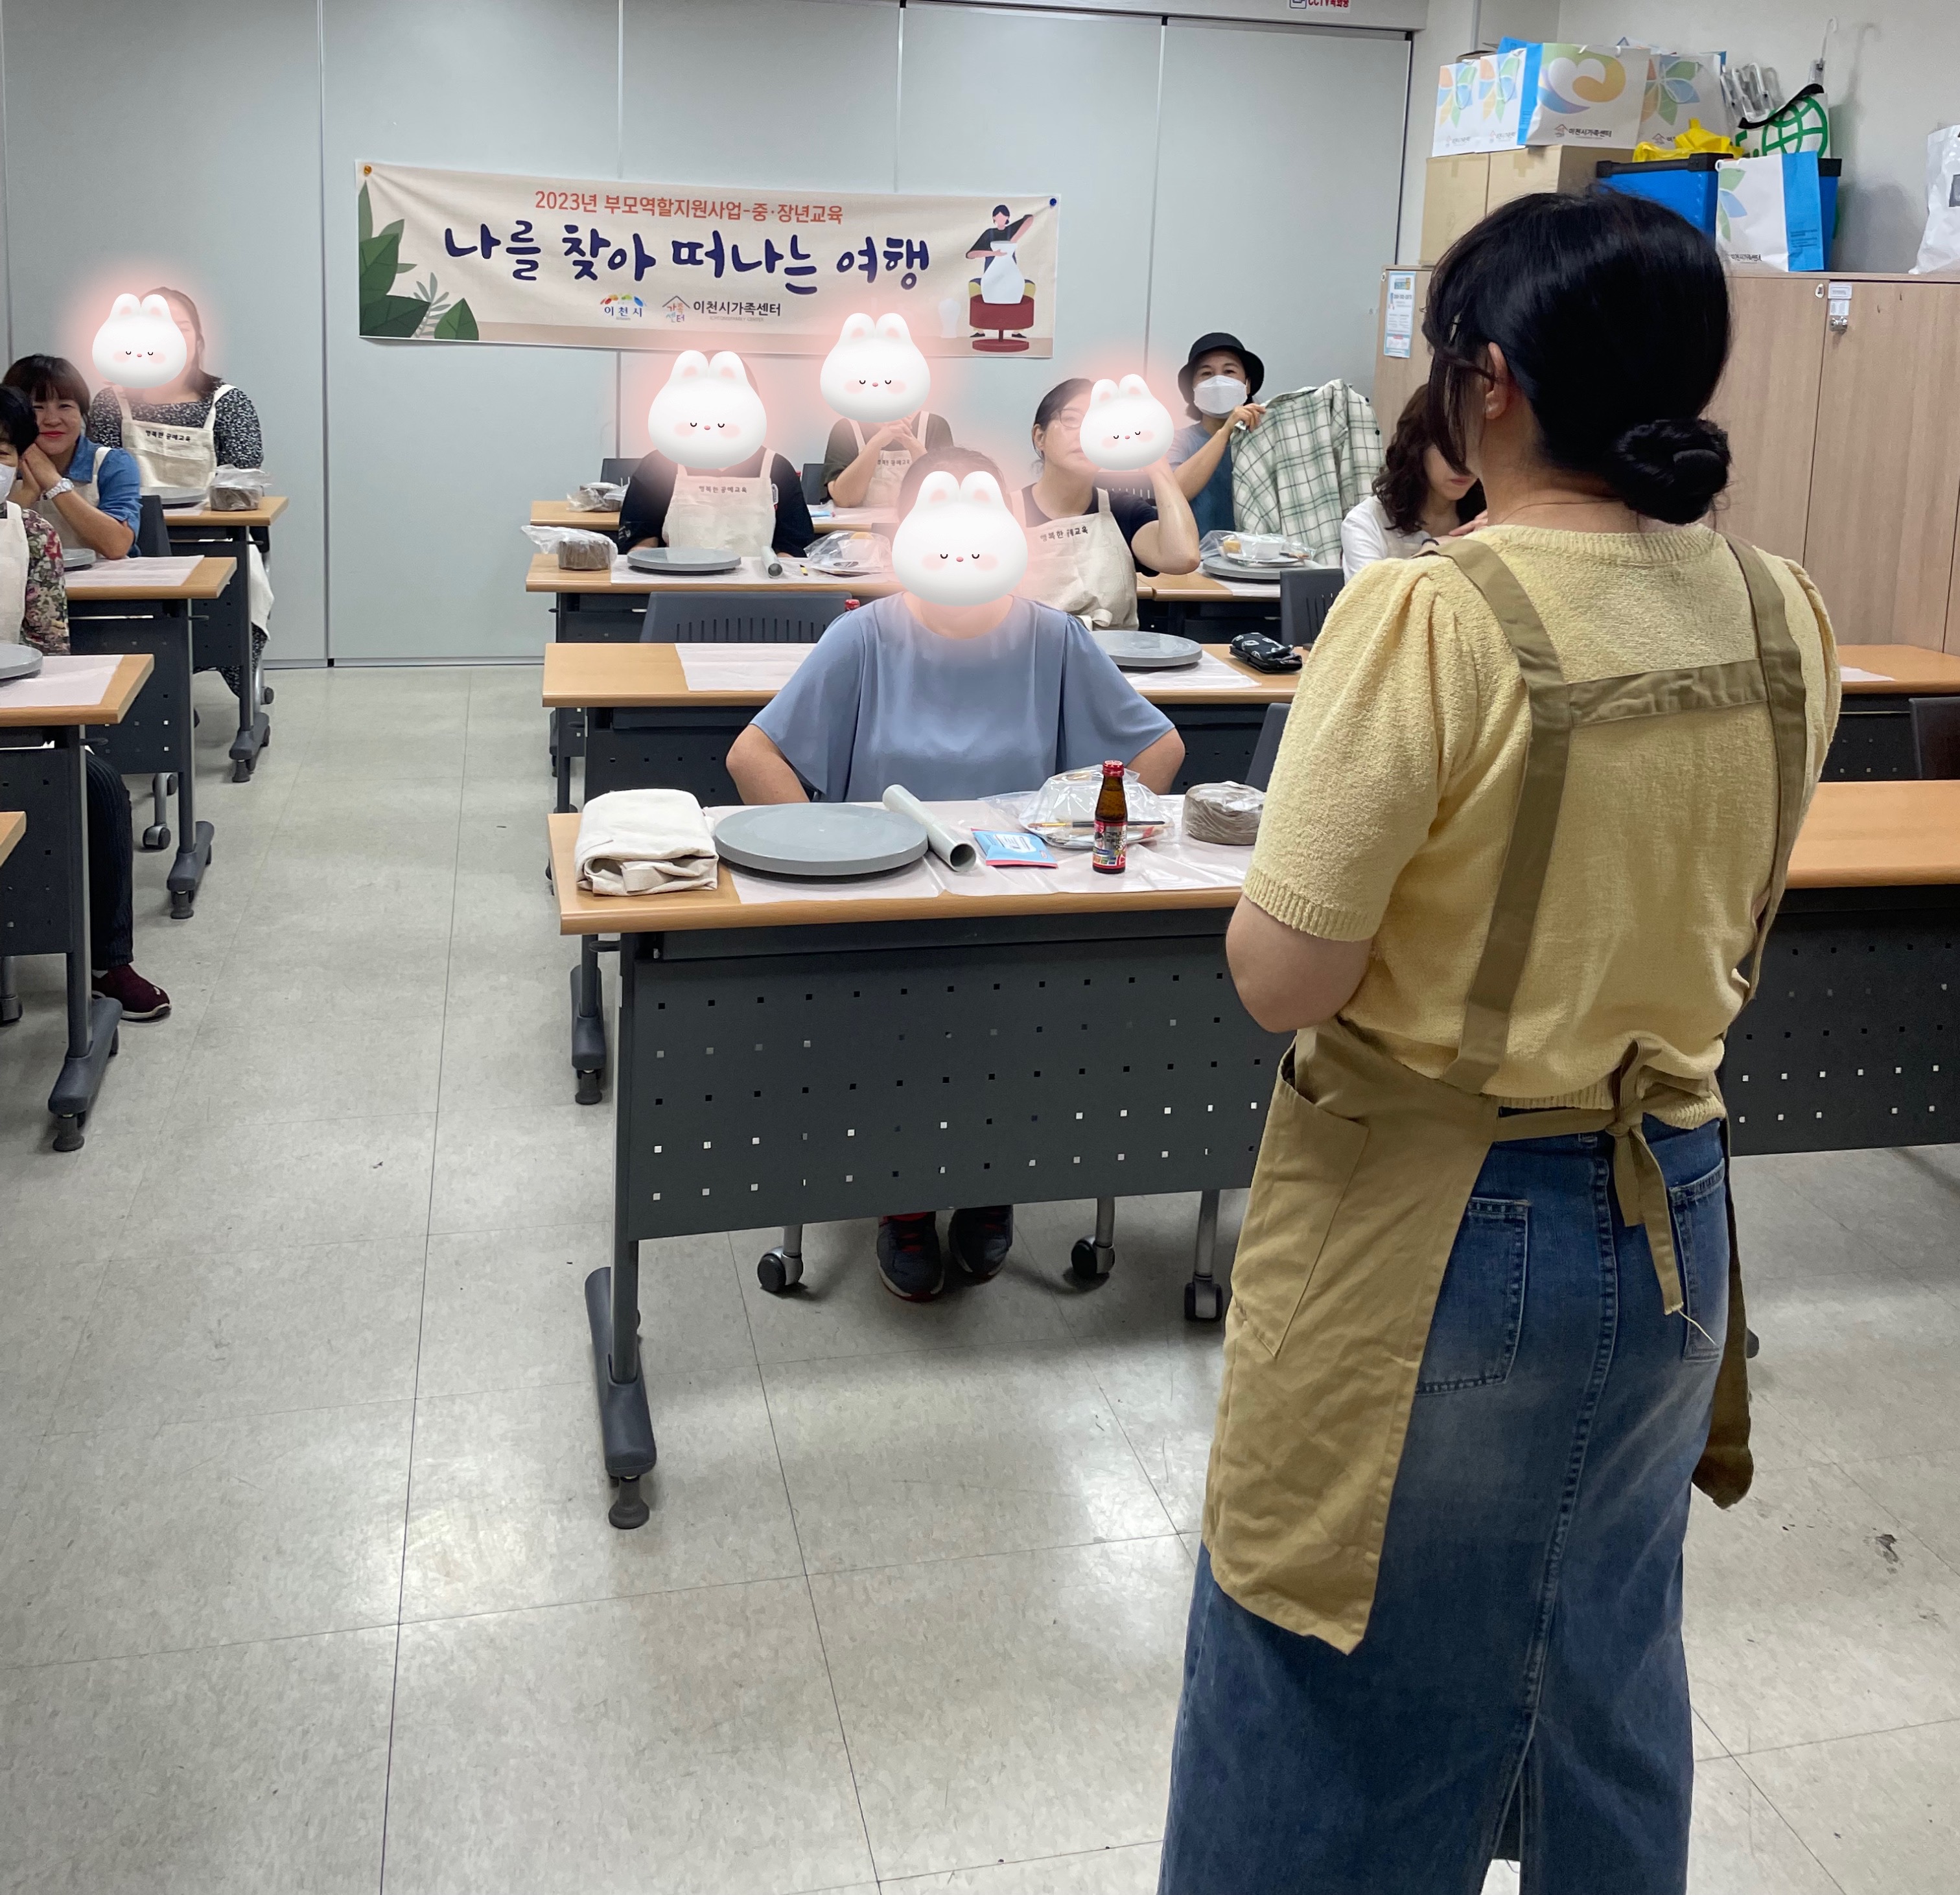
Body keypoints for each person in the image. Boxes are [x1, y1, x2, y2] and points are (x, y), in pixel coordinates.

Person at [1158, 191, 1839, 1892]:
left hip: (1440, 1222)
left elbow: (1284, 977)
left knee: (1330, 1673)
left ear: (1494, 382)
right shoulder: (1782, 611)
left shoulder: (1434, 617)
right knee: (1595, 1657)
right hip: (1677, 1202)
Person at [727, 447, 1184, 1301]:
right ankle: (902, 1202)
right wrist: (828, 858)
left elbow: (1157, 749)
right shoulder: (863, 636)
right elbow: (754, 756)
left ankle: (986, 1183)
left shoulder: (1055, 637)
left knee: (1010, 1038)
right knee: (899, 1045)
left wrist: (1081, 840)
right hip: (887, 915)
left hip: (1019, 909)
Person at [0, 386, 170, 1021]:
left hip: (13, 714)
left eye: (3, 451)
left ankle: (108, 961)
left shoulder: (31, 535)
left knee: (97, 786)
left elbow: (50, 651)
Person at [85, 286, 274, 684]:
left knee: (246, 585)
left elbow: (244, 478)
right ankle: (150, 693)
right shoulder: (110, 402)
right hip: (130, 542)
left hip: (215, 541)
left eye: (181, 328)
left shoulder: (227, 402)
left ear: (198, 341)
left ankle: (236, 680)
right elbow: (98, 476)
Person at [1014, 378, 1202, 629]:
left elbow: (1183, 558)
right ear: (1040, 437)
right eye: (1072, 419)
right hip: (1035, 650)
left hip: (1115, 652)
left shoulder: (1124, 511)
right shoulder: (1004, 513)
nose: (1086, 433)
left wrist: (1156, 461)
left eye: (1097, 424)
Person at [1, 355, 140, 560]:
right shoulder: (5, 465)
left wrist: (53, 481)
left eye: (65, 406)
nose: (52, 420)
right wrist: (29, 493)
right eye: (37, 407)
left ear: (82, 411)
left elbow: (116, 546)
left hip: (103, 580)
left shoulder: (112, 463)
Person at [1341, 386, 1486, 579]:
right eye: (1449, 448)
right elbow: (1371, 597)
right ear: (1418, 447)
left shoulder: (1490, 516)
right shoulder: (1367, 522)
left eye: (1476, 446)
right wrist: (1432, 550)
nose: (1463, 464)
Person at [615, 437, 815, 559]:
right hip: (677, 589)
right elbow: (641, 540)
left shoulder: (777, 468)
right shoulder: (658, 466)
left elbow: (793, 546)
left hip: (759, 593)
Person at [1168, 332, 1266, 537]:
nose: (1218, 381)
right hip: (1196, 554)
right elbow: (1174, 494)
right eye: (1206, 373)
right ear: (1193, 389)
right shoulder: (1178, 441)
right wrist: (1226, 431)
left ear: (1247, 384)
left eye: (1229, 371)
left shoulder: (1265, 440)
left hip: (1256, 553)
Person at [820, 409, 953, 511]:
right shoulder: (846, 428)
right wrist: (876, 443)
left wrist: (911, 443)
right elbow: (845, 500)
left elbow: (944, 495)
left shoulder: (934, 425)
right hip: (859, 532)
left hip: (920, 526)